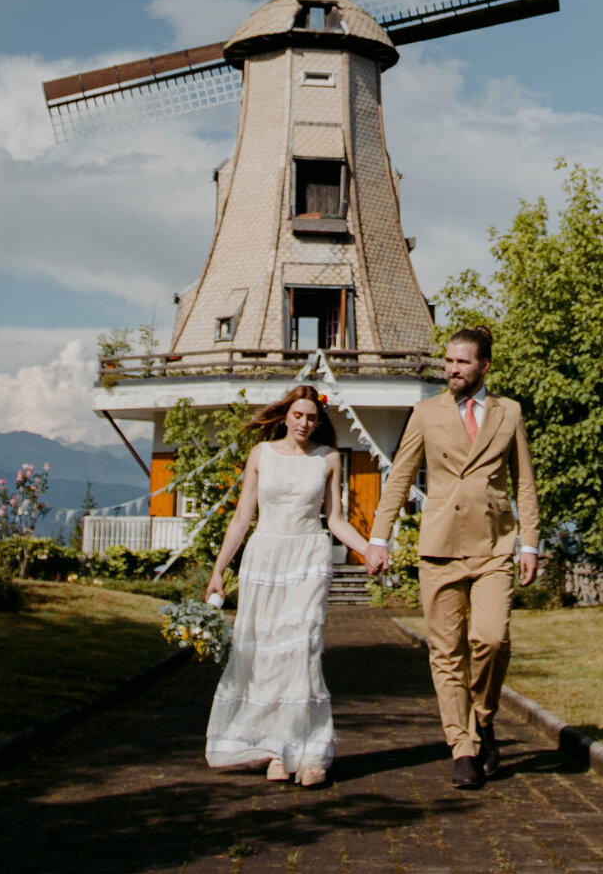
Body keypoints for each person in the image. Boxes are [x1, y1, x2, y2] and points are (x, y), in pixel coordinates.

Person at [364, 326, 539, 789]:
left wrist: (530, 542)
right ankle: (461, 746)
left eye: (462, 363)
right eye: (448, 361)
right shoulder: (426, 413)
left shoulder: (509, 413)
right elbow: (399, 479)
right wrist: (379, 538)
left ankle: (483, 717)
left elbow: (524, 482)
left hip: (494, 545)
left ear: (484, 366)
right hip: (440, 546)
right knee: (446, 653)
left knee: (491, 640)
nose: (452, 369)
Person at [202, 385, 373, 786]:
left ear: (319, 420)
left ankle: (310, 752)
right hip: (265, 557)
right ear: (285, 415)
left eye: (311, 417)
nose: (304, 423)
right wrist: (218, 569)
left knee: (303, 647)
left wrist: (370, 551)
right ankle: (278, 749)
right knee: (266, 654)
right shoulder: (261, 455)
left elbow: (335, 520)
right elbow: (243, 516)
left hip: (308, 556)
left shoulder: (328, 458)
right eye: (298, 415)